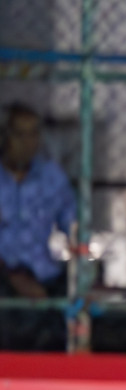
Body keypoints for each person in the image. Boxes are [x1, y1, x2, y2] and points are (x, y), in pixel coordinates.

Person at [0, 102, 74, 350]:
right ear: (4, 135)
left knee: (64, 311)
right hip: (4, 274)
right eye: (20, 134)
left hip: (43, 275)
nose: (28, 143)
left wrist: (82, 261)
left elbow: (72, 222)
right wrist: (13, 277)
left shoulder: (50, 175)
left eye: (34, 134)